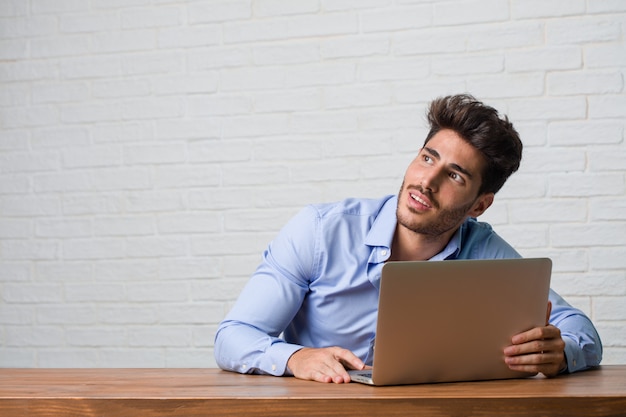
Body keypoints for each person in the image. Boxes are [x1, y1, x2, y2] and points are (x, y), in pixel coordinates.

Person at [214, 94, 603, 384]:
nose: (426, 181)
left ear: (479, 205)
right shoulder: (319, 231)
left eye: (455, 176)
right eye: (428, 158)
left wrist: (560, 352)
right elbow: (233, 337)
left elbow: (580, 329)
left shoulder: (485, 251)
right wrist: (295, 357)